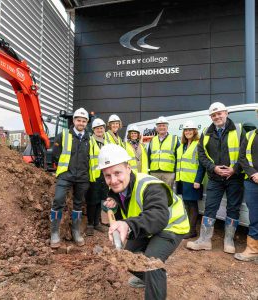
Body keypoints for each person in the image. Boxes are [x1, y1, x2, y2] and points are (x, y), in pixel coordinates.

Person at [99, 144, 189, 300]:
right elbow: (129, 208)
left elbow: (158, 216)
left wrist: (128, 224)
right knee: (128, 258)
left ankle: (154, 279)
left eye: (117, 173)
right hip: (146, 225)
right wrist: (114, 204)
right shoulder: (118, 189)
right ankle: (152, 280)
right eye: (107, 176)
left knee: (151, 262)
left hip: (170, 225)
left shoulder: (150, 186)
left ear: (128, 168)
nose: (113, 180)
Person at [187, 102, 245, 254]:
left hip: (235, 177)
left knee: (233, 208)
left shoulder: (238, 130)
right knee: (210, 208)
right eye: (214, 115)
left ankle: (229, 240)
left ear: (226, 113)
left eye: (219, 113)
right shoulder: (206, 132)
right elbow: (201, 155)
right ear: (211, 117)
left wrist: (234, 169)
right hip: (215, 177)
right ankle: (204, 240)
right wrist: (214, 169)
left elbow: (245, 153)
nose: (217, 117)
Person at [50, 107, 90, 248]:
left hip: (82, 177)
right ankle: (54, 232)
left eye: (84, 121)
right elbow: (55, 153)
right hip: (66, 175)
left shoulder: (89, 138)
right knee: (58, 200)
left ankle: (76, 231)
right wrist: (63, 169)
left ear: (86, 122)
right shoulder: (64, 135)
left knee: (78, 204)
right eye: (79, 120)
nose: (81, 123)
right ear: (74, 121)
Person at [234, 106, 258, 261]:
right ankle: (253, 250)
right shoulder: (250, 135)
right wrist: (253, 174)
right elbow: (242, 158)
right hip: (252, 181)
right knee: (255, 216)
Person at [176, 120, 205, 239]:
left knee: (192, 205)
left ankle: (192, 230)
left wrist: (198, 180)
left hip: (193, 181)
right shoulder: (182, 145)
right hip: (182, 179)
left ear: (195, 131)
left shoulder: (198, 144)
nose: (188, 132)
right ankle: (188, 227)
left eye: (190, 130)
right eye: (186, 130)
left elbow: (201, 165)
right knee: (186, 204)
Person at [86, 118, 109, 236]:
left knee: (101, 199)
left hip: (104, 176)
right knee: (92, 201)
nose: (100, 130)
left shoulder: (106, 143)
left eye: (101, 128)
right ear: (93, 130)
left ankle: (97, 223)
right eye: (97, 128)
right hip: (93, 176)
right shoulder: (90, 141)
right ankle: (90, 224)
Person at [148, 116, 180, 188]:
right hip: (154, 173)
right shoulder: (152, 140)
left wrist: (175, 173)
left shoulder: (174, 139)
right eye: (159, 126)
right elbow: (148, 157)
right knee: (155, 193)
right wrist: (149, 171)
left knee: (167, 194)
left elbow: (178, 157)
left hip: (168, 173)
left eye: (163, 125)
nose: (161, 127)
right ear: (156, 128)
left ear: (167, 127)